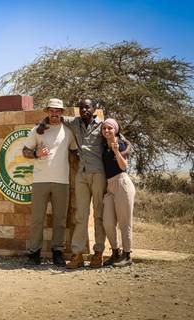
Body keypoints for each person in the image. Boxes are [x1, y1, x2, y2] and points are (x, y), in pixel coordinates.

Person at [37, 98, 131, 269]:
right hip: (81, 174)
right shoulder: (75, 123)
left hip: (99, 174)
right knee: (81, 215)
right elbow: (56, 117)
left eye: (87, 107)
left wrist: (125, 152)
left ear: (94, 109)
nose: (84, 110)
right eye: (81, 107)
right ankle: (77, 254)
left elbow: (123, 139)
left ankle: (98, 253)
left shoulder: (102, 126)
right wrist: (43, 123)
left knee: (99, 214)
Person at [22, 98, 77, 266]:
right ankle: (34, 253)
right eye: (52, 111)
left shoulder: (68, 132)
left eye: (58, 111)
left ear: (62, 112)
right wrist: (36, 154)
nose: (54, 113)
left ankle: (57, 252)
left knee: (60, 219)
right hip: (40, 180)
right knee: (37, 219)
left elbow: (75, 152)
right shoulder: (37, 131)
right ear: (47, 111)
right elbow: (25, 151)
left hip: (62, 181)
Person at [101, 118, 136, 267]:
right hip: (109, 186)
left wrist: (117, 150)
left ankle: (127, 255)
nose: (107, 130)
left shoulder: (120, 144)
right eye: (104, 128)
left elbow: (123, 166)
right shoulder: (103, 145)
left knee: (124, 221)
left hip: (122, 183)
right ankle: (115, 252)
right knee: (108, 222)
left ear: (115, 129)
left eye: (110, 128)